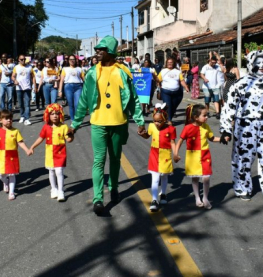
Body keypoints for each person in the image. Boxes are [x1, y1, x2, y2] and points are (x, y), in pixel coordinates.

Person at [69, 36, 145, 215]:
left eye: (101, 49)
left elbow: (133, 99)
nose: (97, 52)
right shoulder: (92, 73)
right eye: (97, 50)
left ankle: (114, 187)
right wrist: (75, 124)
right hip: (98, 123)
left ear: (110, 52)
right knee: (99, 160)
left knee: (116, 159)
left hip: (119, 123)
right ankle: (98, 199)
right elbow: (83, 101)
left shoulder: (123, 72)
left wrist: (140, 121)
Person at [220, 50, 263, 208]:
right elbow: (229, 107)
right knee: (244, 159)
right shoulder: (240, 84)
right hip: (245, 126)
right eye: (258, 62)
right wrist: (225, 130)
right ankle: (242, 187)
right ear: (250, 64)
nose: (262, 66)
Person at [174, 104, 220, 210]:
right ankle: (197, 198)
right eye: (204, 115)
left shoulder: (206, 127)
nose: (207, 117)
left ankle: (205, 198)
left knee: (206, 177)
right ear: (195, 117)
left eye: (207, 115)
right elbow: (180, 141)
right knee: (195, 178)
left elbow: (212, 138)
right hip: (193, 156)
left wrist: (222, 139)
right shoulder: (187, 128)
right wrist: (175, 154)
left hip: (205, 155)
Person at [0, 110, 30, 201]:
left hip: (12, 156)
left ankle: (11, 192)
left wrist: (27, 150)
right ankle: (5, 182)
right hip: (1, 157)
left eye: (10, 119)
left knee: (12, 175)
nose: (9, 120)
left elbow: (20, 142)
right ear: (0, 120)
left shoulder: (16, 131)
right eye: (6, 119)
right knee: (1, 175)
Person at [29, 104, 73, 202]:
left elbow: (69, 139)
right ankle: (53, 189)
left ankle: (61, 191)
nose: (55, 116)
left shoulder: (64, 127)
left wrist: (71, 134)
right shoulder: (46, 127)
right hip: (50, 154)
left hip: (60, 154)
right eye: (52, 114)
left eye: (57, 113)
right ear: (48, 115)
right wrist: (32, 147)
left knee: (59, 172)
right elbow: (40, 138)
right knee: (51, 172)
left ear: (60, 114)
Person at [140, 103, 177, 212]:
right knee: (155, 178)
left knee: (164, 176)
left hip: (165, 155)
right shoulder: (151, 126)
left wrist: (175, 153)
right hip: (154, 155)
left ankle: (164, 194)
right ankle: (154, 200)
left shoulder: (171, 129)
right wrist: (142, 134)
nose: (157, 123)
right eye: (155, 120)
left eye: (159, 121)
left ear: (165, 119)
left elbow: (173, 142)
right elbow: (147, 136)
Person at [158, 58, 189, 122]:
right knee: (168, 106)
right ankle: (169, 120)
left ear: (173, 63)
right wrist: (159, 86)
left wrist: (186, 87)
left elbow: (181, 80)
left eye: (171, 62)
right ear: (166, 63)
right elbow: (158, 80)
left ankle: (167, 117)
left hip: (176, 93)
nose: (170, 63)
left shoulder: (177, 71)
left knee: (173, 107)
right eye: (168, 62)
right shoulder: (163, 71)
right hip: (166, 92)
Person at [58, 55, 84, 122]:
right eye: (70, 59)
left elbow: (84, 79)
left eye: (73, 59)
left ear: (76, 60)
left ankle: (76, 119)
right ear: (68, 61)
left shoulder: (79, 69)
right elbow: (61, 80)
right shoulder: (65, 69)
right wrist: (60, 91)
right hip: (68, 87)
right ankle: (73, 120)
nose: (72, 60)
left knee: (77, 104)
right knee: (71, 104)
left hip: (78, 87)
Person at [12, 54, 35, 125]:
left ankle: (27, 118)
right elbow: (13, 76)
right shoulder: (16, 67)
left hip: (27, 87)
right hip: (19, 88)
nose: (23, 60)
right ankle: (22, 116)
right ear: (18, 60)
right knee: (21, 104)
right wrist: (14, 80)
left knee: (27, 104)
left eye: (24, 59)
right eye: (21, 59)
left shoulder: (29, 67)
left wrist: (34, 86)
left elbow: (33, 77)